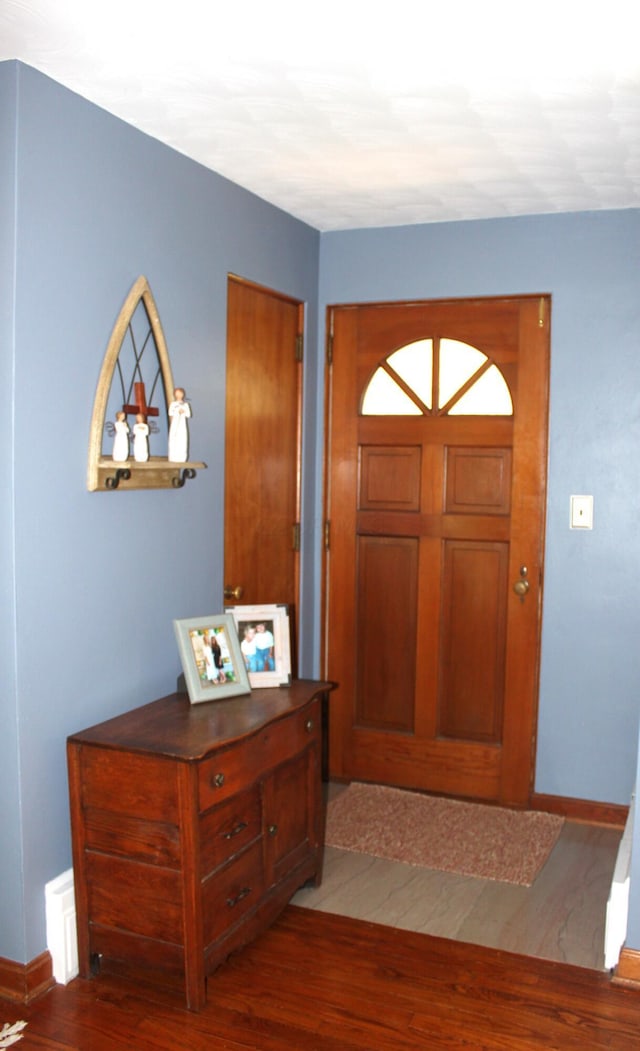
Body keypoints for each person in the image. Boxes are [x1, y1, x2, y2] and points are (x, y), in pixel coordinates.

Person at [168, 387, 191, 462]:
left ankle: (182, 457)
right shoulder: (173, 404)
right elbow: (170, 412)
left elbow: (188, 414)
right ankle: (173, 457)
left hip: (182, 424)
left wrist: (183, 411)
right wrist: (178, 411)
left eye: (180, 393)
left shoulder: (186, 404)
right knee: (174, 438)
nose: (178, 395)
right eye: (177, 393)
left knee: (182, 439)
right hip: (175, 423)